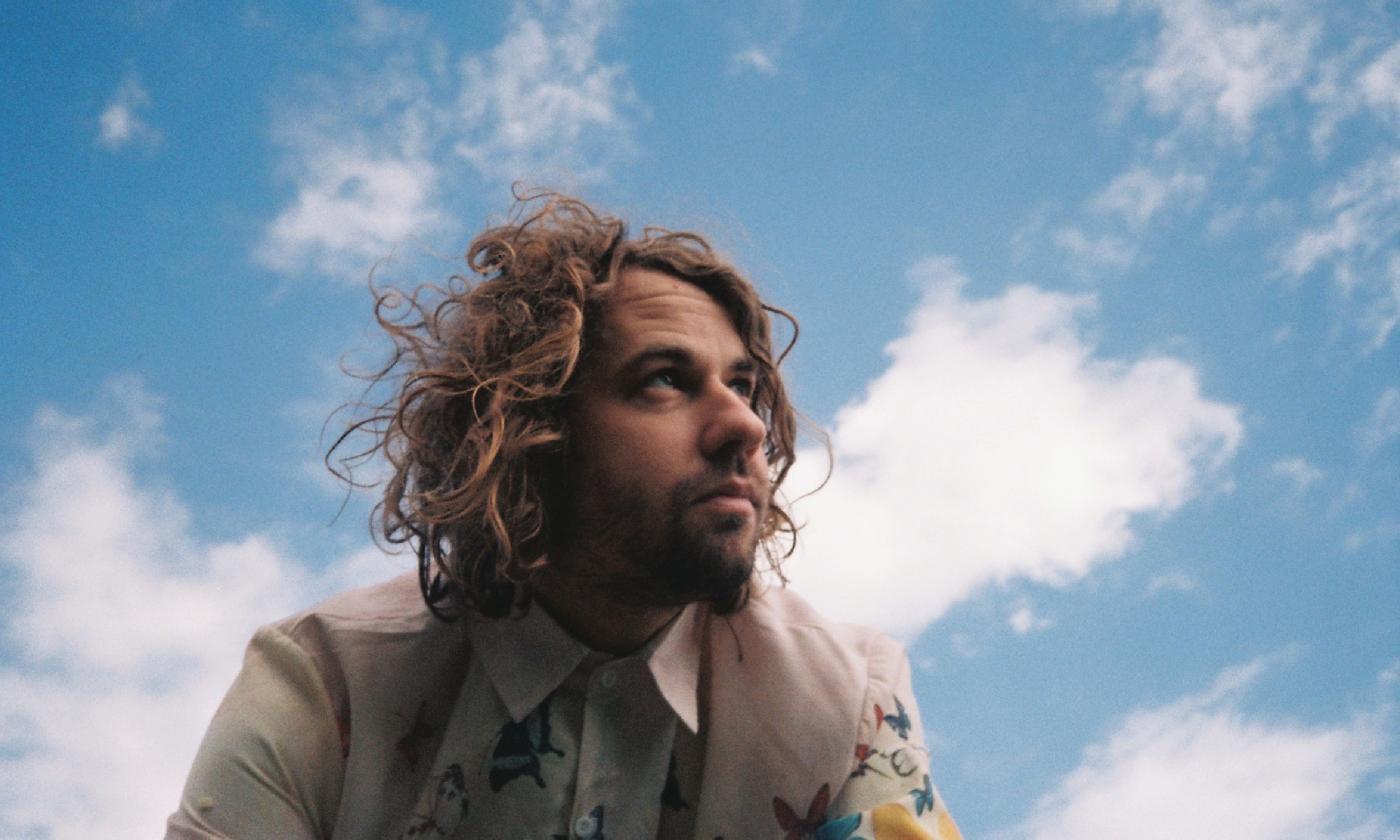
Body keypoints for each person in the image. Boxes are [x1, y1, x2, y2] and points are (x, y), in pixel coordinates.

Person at [167, 192, 962, 839]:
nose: (746, 426)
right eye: (664, 380)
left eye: (743, 386)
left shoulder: (852, 697)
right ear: (528, 433)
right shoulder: (327, 687)